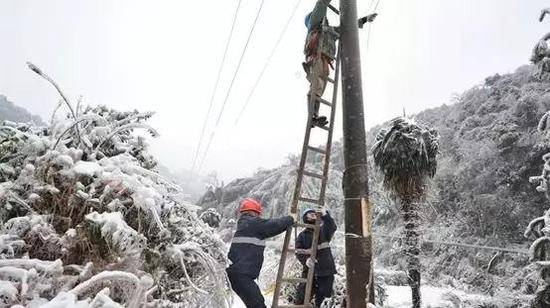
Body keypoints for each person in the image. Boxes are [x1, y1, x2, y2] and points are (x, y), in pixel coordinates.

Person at [303, 0, 377, 127]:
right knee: (316, 85)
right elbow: (321, 5)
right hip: (316, 58)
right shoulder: (314, 23)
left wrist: (364, 20)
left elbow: (347, 29)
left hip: (325, 61)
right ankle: (312, 116)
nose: (323, 18)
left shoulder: (329, 31)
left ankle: (314, 116)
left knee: (319, 88)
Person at [226, 198, 296, 308]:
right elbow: (275, 225)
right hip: (242, 275)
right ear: (254, 212)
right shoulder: (253, 223)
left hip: (239, 275)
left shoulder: (245, 225)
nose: (259, 217)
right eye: (258, 214)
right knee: (258, 305)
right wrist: (291, 219)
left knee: (256, 303)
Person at [294, 208, 337, 307]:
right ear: (306, 218)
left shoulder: (323, 231)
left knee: (324, 295)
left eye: (315, 214)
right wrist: (306, 260)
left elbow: (332, 226)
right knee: (303, 294)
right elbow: (298, 251)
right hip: (310, 269)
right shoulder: (302, 236)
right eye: (311, 214)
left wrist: (325, 215)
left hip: (325, 268)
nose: (314, 215)